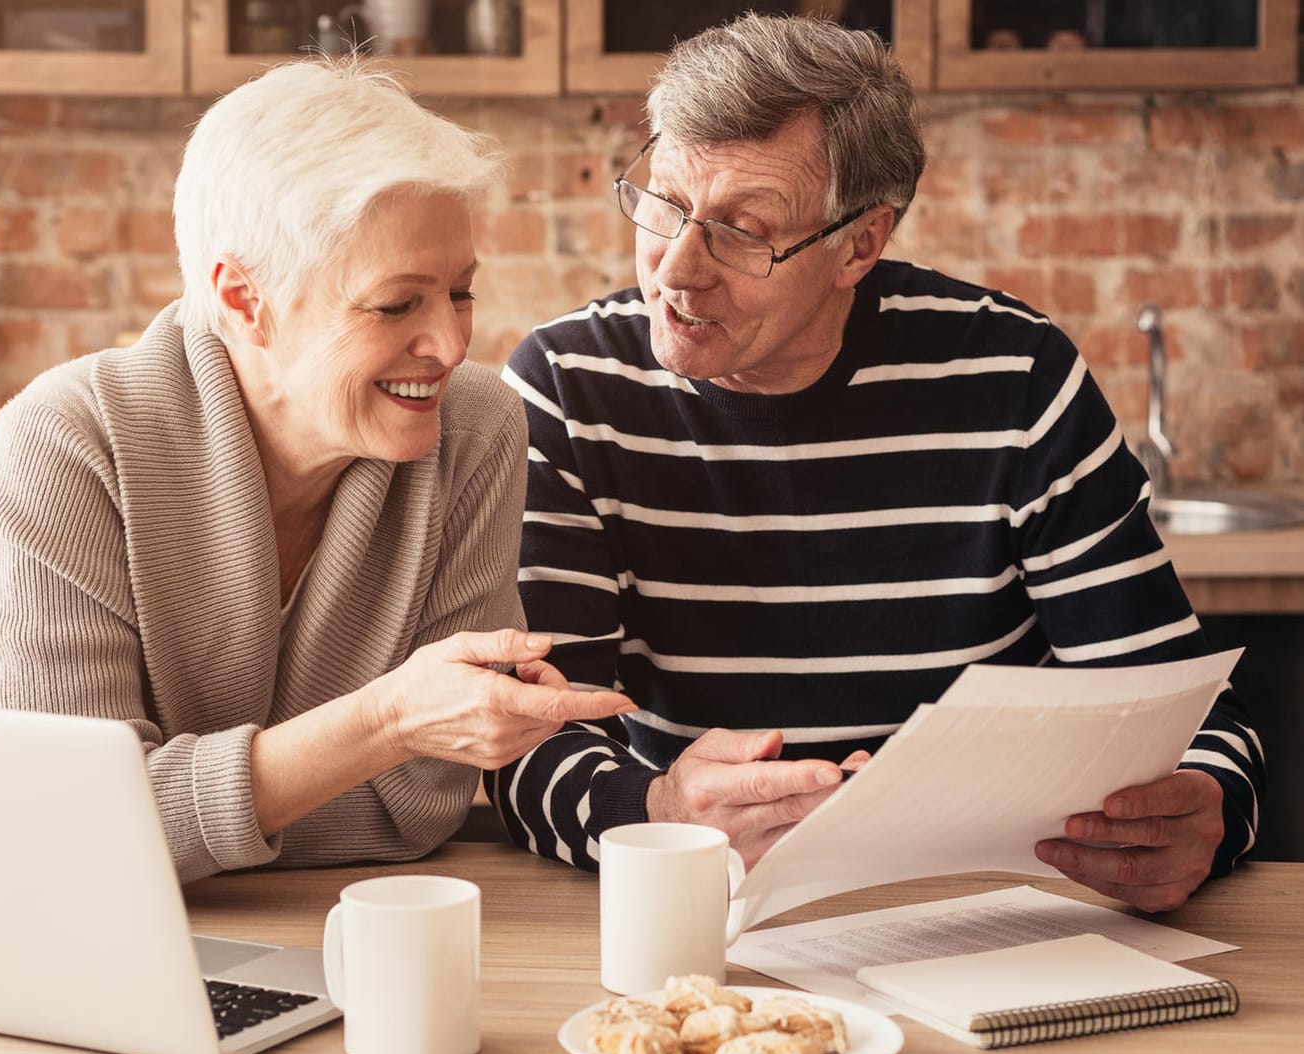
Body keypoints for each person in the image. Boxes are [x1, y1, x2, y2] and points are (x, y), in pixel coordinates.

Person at [488, 14, 1263, 913]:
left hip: (990, 903)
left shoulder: (1014, 377)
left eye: (743, 230)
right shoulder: (568, 385)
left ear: (860, 244)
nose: (678, 269)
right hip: (702, 906)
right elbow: (528, 741)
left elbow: (1186, 712)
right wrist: (657, 810)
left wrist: (1206, 807)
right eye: (664, 204)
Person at [0, 60, 633, 880]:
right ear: (243, 301)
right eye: (395, 304)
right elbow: (63, 833)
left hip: (146, 904)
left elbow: (415, 810)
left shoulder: (476, 427)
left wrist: (158, 810)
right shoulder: (65, 438)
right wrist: (382, 725)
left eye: (460, 292)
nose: (451, 345)